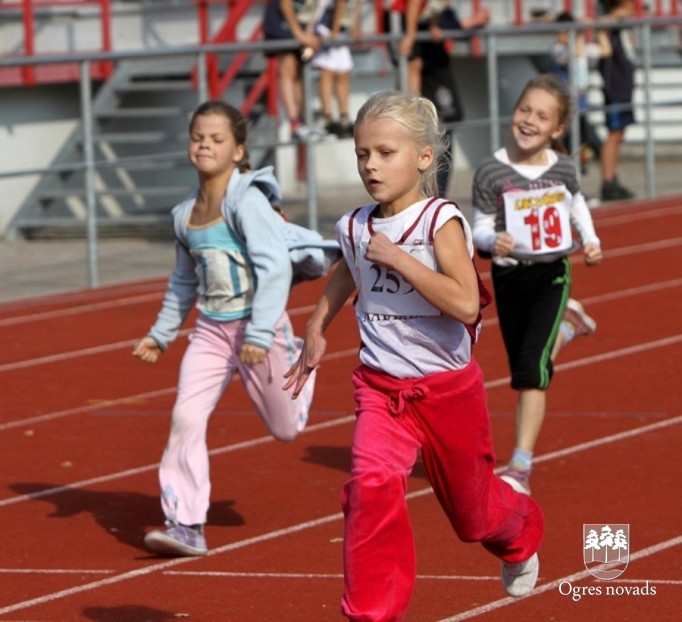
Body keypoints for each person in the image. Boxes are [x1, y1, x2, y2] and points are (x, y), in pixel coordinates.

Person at [284, 90, 544, 620]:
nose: (371, 166)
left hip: (447, 392)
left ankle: (520, 531)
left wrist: (402, 261)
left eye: (385, 152)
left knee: (472, 520)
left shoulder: (439, 221)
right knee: (371, 488)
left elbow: (467, 303)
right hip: (382, 390)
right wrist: (316, 325)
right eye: (363, 154)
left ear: (424, 157)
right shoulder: (356, 226)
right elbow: (347, 271)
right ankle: (372, 613)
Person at [133, 100, 317, 557]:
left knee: (286, 429)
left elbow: (274, 269)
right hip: (212, 333)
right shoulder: (184, 215)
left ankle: (294, 359)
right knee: (185, 417)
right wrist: (161, 333)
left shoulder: (247, 202)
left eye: (217, 139)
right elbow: (182, 281)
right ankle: (186, 523)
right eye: (198, 138)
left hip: (262, 329)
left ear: (237, 151)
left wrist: (259, 335)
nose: (205, 145)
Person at [471, 74, 603, 496]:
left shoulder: (563, 168)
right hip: (509, 276)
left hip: (551, 273)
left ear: (557, 129)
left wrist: (591, 239)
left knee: (531, 372)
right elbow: (478, 227)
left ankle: (520, 467)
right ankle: (568, 326)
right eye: (525, 110)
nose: (529, 120)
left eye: (542, 116)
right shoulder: (491, 170)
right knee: (525, 363)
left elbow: (576, 202)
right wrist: (494, 240)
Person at [549, 10, 606, 174]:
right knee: (567, 149)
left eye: (566, 32)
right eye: (560, 33)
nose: (563, 37)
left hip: (580, 108)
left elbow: (605, 50)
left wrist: (599, 28)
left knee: (589, 144)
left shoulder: (579, 46)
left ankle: (580, 178)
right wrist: (579, 33)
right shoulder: (557, 49)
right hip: (566, 110)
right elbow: (575, 54)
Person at [263, 0, 328, 141]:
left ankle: (305, 121)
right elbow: (285, 4)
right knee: (288, 68)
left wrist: (309, 32)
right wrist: (300, 34)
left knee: (299, 74)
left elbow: (314, 5)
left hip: (300, 25)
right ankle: (294, 123)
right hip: (283, 27)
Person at [597, 0, 637, 201]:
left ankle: (612, 178)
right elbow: (602, 26)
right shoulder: (609, 25)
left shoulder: (622, 28)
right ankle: (608, 180)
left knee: (620, 134)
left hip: (624, 88)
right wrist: (616, 15)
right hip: (614, 89)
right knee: (613, 134)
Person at [311, 0, 363, 138]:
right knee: (327, 72)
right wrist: (334, 31)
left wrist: (356, 29)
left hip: (340, 31)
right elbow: (339, 5)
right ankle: (327, 116)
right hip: (326, 29)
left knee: (343, 73)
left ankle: (344, 117)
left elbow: (356, 6)